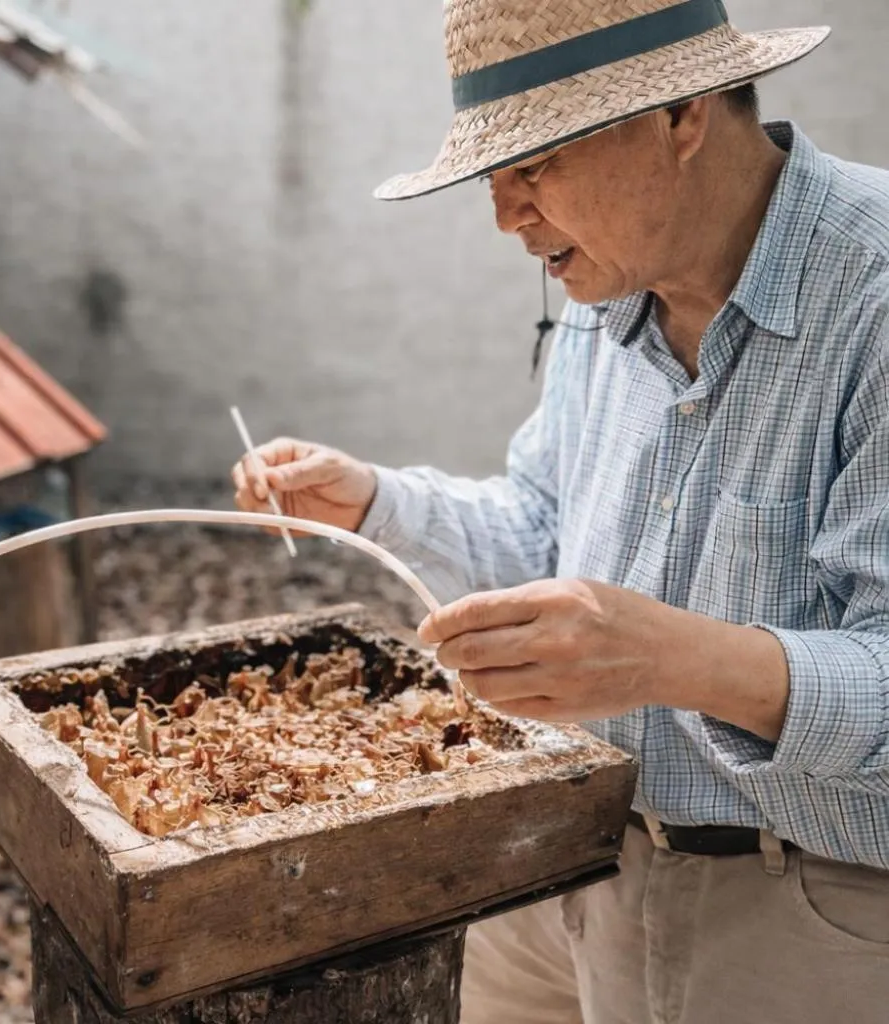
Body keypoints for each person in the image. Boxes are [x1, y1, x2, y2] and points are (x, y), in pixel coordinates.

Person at [234, 2, 889, 1022]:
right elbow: (543, 527)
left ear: (681, 114)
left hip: (797, 903)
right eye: (490, 176)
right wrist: (376, 501)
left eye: (534, 164)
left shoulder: (874, 295)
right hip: (561, 852)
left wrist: (675, 658)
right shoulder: (611, 279)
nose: (505, 216)